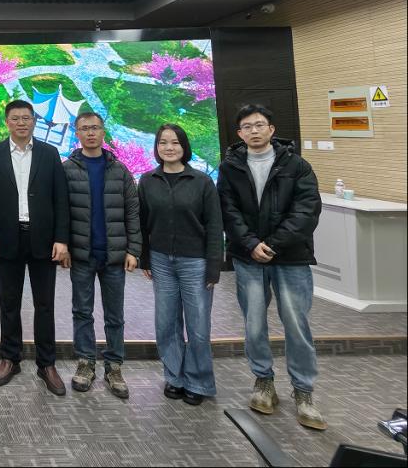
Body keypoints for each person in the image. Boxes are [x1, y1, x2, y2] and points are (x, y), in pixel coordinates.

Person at [218, 104, 326, 430]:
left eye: (259, 124)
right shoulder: (230, 167)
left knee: (296, 324)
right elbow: (228, 210)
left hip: (290, 258)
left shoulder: (297, 165)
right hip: (248, 257)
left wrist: (274, 244)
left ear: (271, 129)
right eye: (247, 126)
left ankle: (304, 391)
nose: (254, 130)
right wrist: (251, 244)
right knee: (253, 324)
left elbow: (306, 211)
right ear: (239, 133)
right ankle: (263, 381)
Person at [0, 100, 69, 395]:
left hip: (43, 239)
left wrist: (61, 239)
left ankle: (47, 363)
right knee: (9, 302)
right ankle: (10, 359)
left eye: (26, 118)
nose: (21, 123)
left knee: (45, 304)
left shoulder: (49, 153)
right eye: (15, 118)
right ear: (7, 122)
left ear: (34, 121)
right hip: (8, 238)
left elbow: (60, 199)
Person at [138, 123, 222, 405]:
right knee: (166, 323)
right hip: (161, 260)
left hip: (195, 261)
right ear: (157, 147)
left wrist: (214, 265)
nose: (169, 148)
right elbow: (143, 223)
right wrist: (145, 257)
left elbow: (215, 225)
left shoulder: (201, 181)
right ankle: (175, 377)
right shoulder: (147, 180)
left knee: (198, 327)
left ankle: (198, 382)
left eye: (175, 142)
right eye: (163, 142)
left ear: (184, 146)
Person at [63, 111, 141, 400]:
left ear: (103, 131)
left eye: (95, 128)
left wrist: (134, 250)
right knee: (82, 312)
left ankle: (114, 365)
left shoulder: (119, 170)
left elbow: (132, 212)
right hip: (81, 255)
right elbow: (61, 213)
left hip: (114, 257)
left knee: (114, 315)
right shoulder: (66, 170)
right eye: (85, 128)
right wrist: (64, 246)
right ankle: (86, 362)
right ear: (77, 133)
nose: (91, 133)